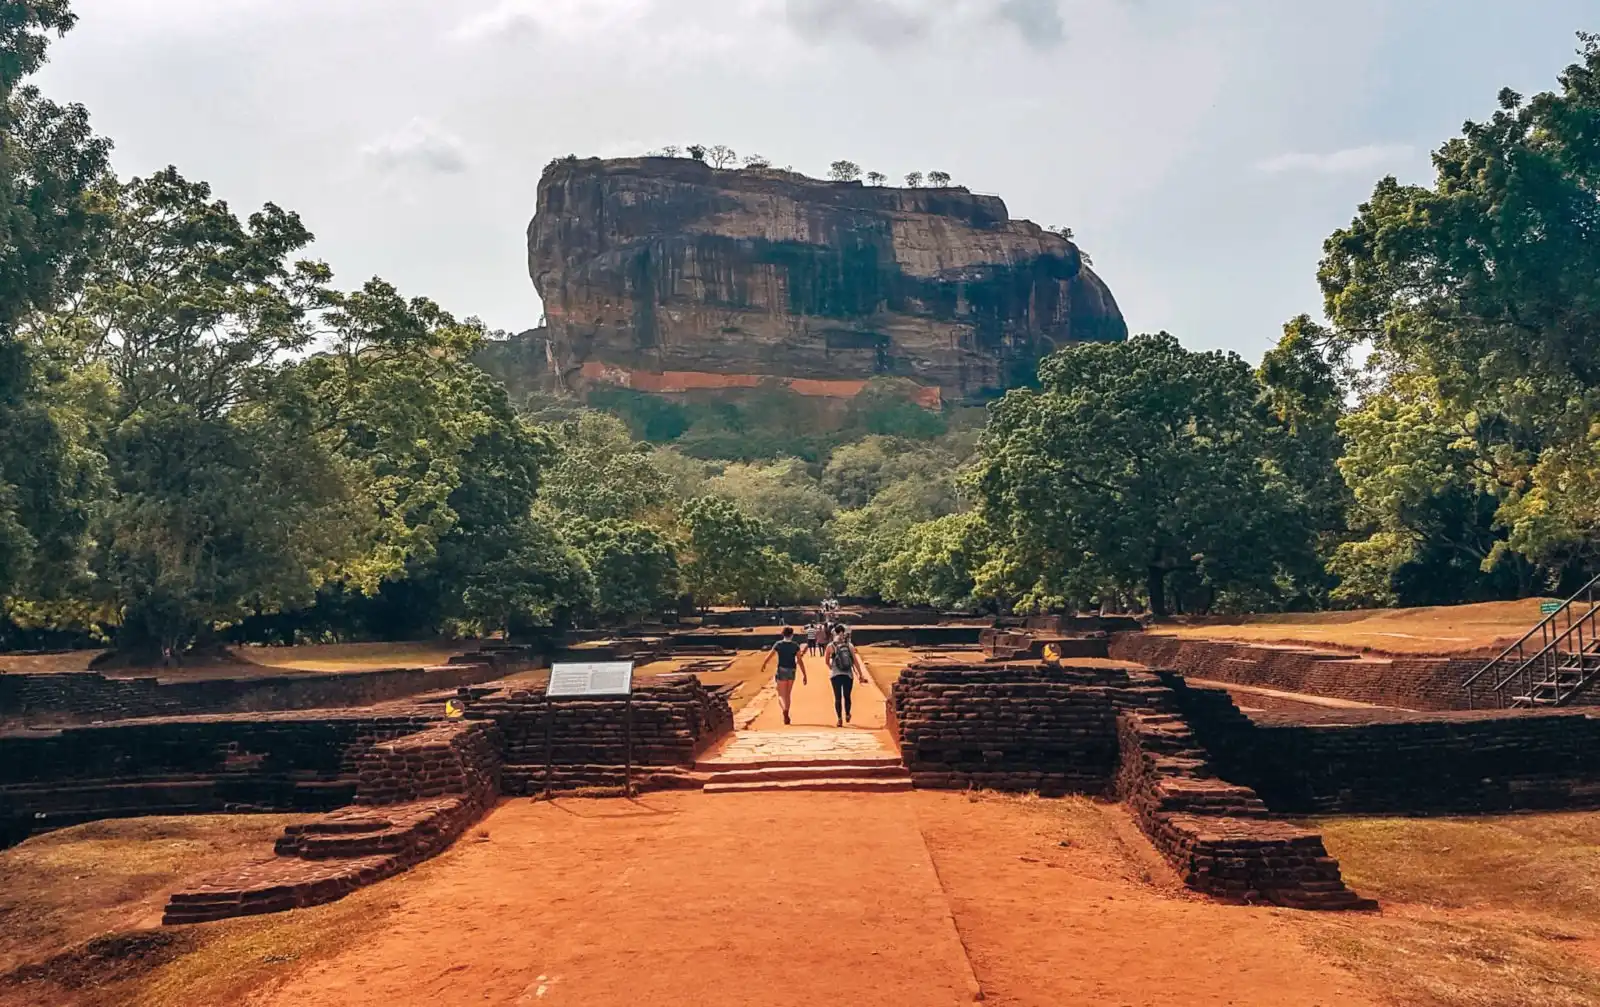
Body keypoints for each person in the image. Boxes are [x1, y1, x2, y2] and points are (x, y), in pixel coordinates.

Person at [758, 626, 808, 725]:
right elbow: (799, 661)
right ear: (792, 635)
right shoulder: (795, 645)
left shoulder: (779, 644)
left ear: (783, 634)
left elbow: (770, 655)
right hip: (792, 670)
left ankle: (784, 710)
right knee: (788, 694)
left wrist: (764, 664)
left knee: (781, 694)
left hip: (782, 670)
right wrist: (804, 674)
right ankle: (787, 712)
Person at [822, 625, 867, 728]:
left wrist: (832, 667)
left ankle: (839, 719)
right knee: (847, 696)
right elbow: (855, 661)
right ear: (843, 632)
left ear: (834, 633)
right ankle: (847, 713)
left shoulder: (830, 646)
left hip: (835, 675)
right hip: (848, 674)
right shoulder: (849, 645)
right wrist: (860, 674)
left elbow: (826, 661)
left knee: (837, 698)